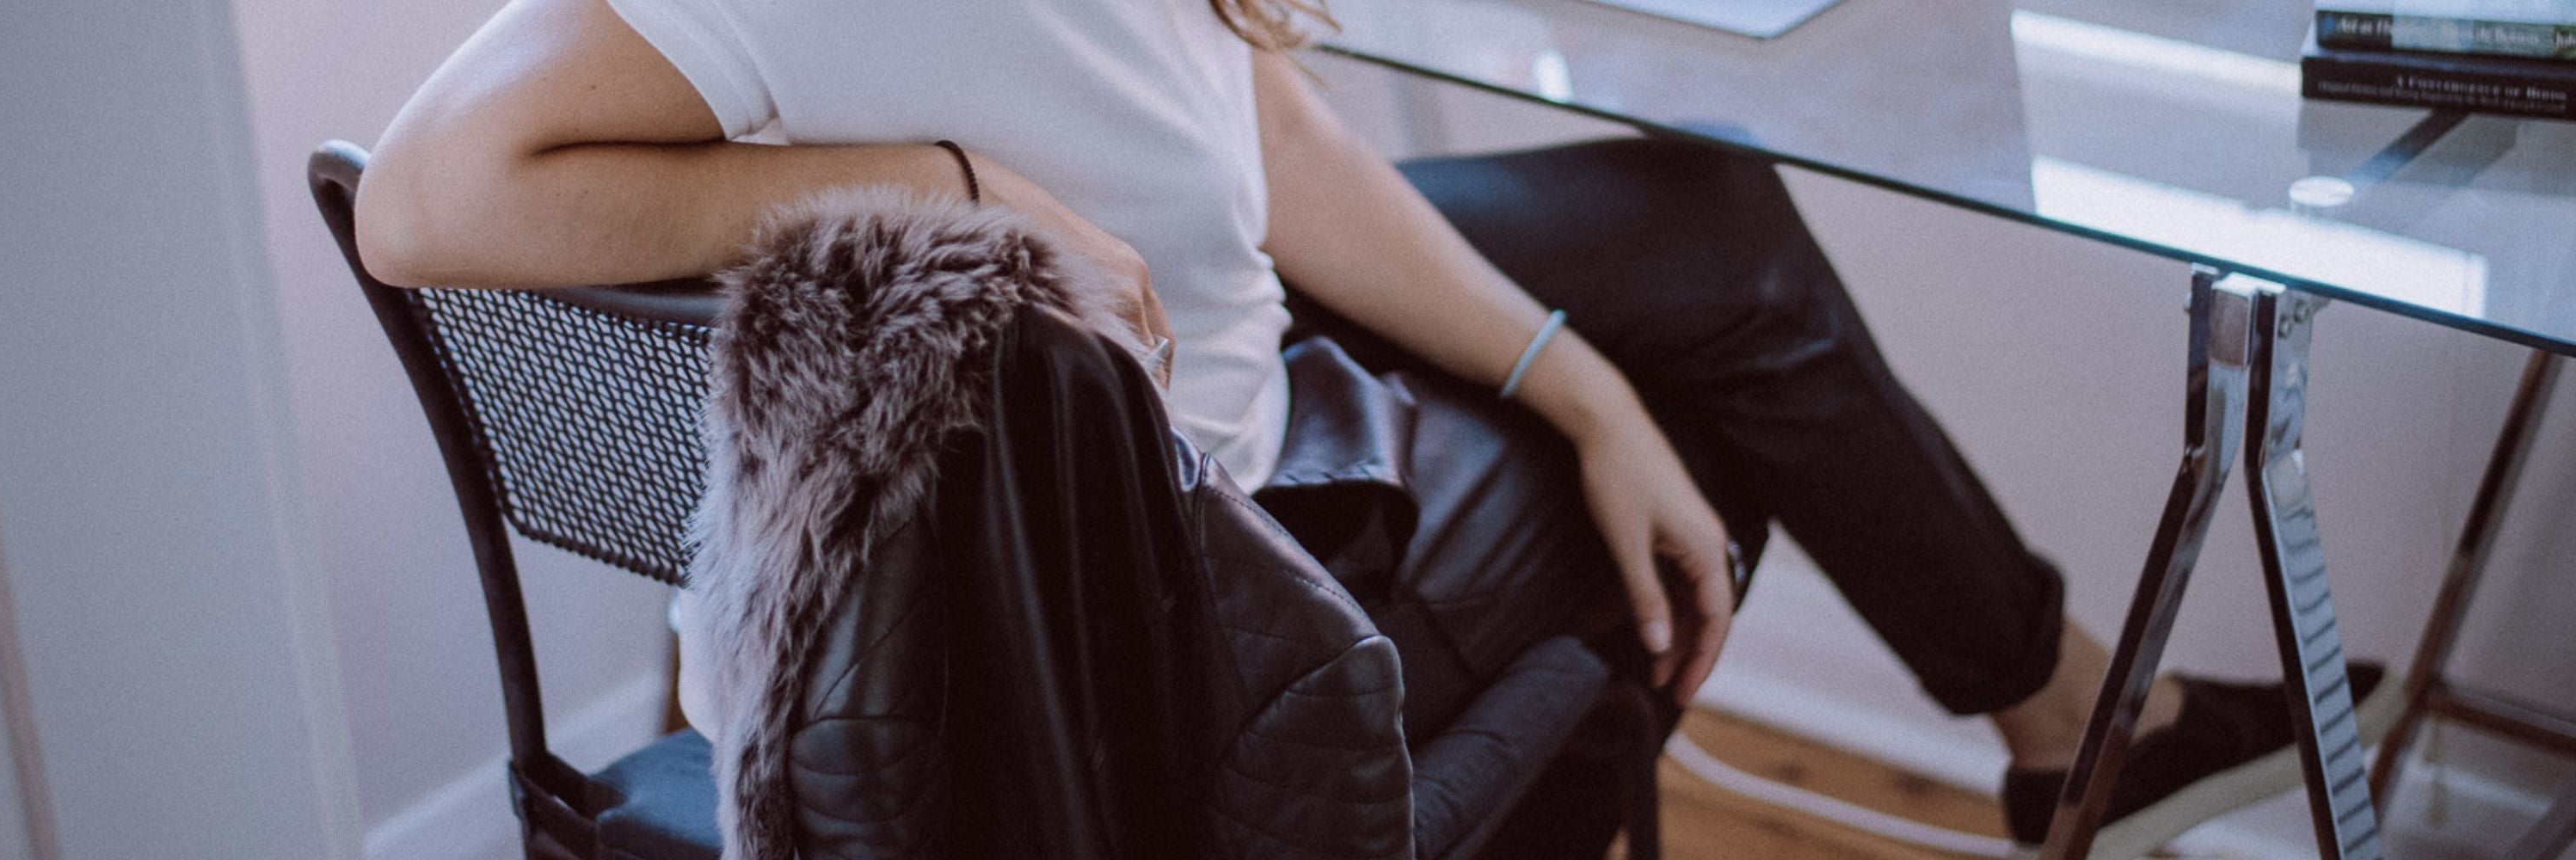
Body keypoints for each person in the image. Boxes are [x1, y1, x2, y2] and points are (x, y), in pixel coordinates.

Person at [356, 0, 2384, 854]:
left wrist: (1560, 372)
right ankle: (2054, 719)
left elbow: (1250, 138)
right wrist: (947, 180)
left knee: (1701, 239)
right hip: (1208, 606)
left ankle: (2055, 711)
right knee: (1718, 342)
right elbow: (422, 196)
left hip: (1135, 423)